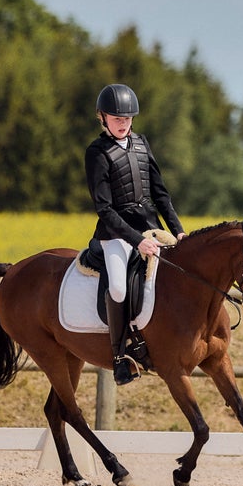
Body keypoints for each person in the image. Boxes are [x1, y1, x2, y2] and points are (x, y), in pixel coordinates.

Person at [85, 83, 186, 385]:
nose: (123, 124)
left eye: (127, 119)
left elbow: (160, 194)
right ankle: (120, 358)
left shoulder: (142, 144)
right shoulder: (97, 152)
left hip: (152, 231)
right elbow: (104, 209)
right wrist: (136, 240)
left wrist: (178, 232)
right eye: (117, 119)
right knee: (117, 288)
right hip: (115, 235)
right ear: (102, 117)